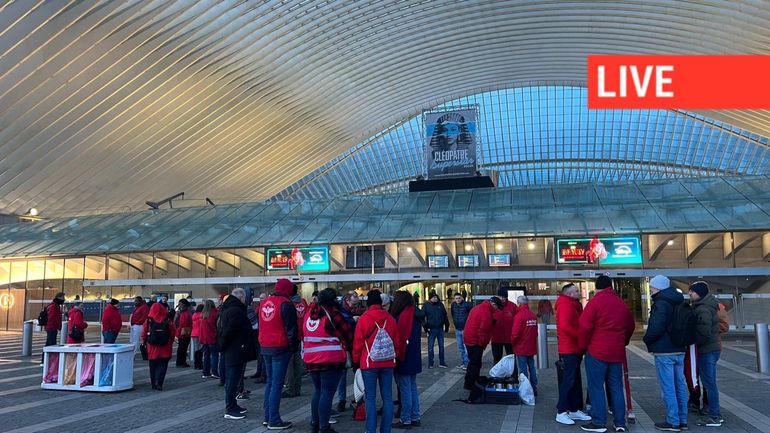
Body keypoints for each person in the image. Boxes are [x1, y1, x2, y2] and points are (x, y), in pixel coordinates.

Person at [578, 275, 635, 433]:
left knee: (596, 387)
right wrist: (623, 341)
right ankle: (620, 423)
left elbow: (584, 327)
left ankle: (599, 422)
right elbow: (630, 325)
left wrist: (583, 347)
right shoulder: (621, 303)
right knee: (616, 387)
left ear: (597, 287)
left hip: (597, 351)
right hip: (616, 352)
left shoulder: (594, 303)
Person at [304, 288, 353, 433]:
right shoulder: (332, 313)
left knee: (317, 391)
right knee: (327, 393)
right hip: (330, 359)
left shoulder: (309, 314)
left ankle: (315, 424)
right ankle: (324, 427)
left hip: (311, 358)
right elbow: (347, 334)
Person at [642, 275, 688, 431]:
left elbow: (657, 326)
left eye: (652, 287)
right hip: (679, 349)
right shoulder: (678, 300)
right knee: (680, 386)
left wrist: (647, 339)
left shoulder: (661, 303)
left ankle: (673, 421)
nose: (651, 290)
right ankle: (683, 419)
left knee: (668, 387)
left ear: (658, 288)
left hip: (664, 350)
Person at [352, 290, 401, 433]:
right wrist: (394, 356)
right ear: (380, 303)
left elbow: (358, 343)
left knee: (370, 398)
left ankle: (370, 430)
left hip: (369, 363)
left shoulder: (364, 318)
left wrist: (356, 361)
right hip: (388, 363)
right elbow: (396, 342)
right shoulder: (390, 318)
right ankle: (386, 430)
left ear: (368, 303)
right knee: (387, 398)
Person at [259, 279, 299, 430]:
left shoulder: (264, 303)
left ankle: (267, 416)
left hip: (265, 346)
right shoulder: (286, 304)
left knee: (270, 383)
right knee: (277, 384)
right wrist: (293, 348)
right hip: (280, 347)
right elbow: (291, 329)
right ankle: (274, 420)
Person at [555, 283, 592, 426]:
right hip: (569, 348)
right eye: (576, 291)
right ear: (569, 294)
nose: (579, 292)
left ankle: (574, 409)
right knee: (569, 380)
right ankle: (561, 411)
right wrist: (581, 337)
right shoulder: (566, 305)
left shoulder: (572, 304)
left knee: (575, 380)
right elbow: (566, 327)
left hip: (574, 347)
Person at [218, 288, 258, 420]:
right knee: (232, 379)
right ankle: (230, 408)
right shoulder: (235, 310)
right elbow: (230, 331)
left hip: (234, 348)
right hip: (235, 348)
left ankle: (233, 405)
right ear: (241, 297)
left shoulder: (228, 308)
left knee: (233, 379)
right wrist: (223, 344)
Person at [689, 281, 723, 428]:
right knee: (710, 383)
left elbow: (704, 332)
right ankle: (715, 413)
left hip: (707, 350)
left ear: (699, 293)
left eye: (692, 291)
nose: (690, 293)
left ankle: (714, 415)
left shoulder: (703, 309)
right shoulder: (707, 305)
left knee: (709, 384)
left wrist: (693, 341)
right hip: (712, 348)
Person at [391, 290, 425, 429]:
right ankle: (415, 416)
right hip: (414, 357)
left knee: (405, 389)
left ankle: (406, 419)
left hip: (405, 357)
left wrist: (397, 357)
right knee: (412, 387)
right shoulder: (414, 314)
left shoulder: (404, 316)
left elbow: (400, 339)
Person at [463, 297, 502, 402]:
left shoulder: (478, 307)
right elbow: (483, 331)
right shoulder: (486, 313)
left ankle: (468, 383)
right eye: (497, 307)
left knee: (472, 362)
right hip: (475, 341)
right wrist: (482, 344)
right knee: (475, 364)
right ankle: (473, 385)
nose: (496, 310)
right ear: (493, 304)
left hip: (468, 338)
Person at [336, 290, 365, 412]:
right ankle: (341, 400)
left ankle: (359, 399)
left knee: (358, 373)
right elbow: (340, 324)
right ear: (347, 301)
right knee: (342, 374)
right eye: (353, 304)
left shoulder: (360, 309)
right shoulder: (340, 311)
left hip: (356, 345)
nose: (355, 307)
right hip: (344, 345)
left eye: (357, 304)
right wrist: (353, 320)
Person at [143, 301, 176, 391]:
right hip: (165, 347)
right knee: (163, 365)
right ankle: (159, 382)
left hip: (152, 347)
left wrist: (144, 342)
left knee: (152, 366)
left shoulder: (149, 320)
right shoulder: (167, 320)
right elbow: (173, 332)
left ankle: (153, 383)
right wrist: (171, 341)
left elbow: (144, 333)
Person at [284, 284, 309, 398]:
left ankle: (290, 388)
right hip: (300, 336)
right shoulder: (303, 302)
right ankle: (297, 388)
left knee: (289, 365)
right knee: (298, 363)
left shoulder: (288, 304)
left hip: (290, 337)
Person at [511, 295, 538, 395]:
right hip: (531, 346)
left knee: (523, 370)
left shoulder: (519, 316)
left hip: (521, 347)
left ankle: (526, 389)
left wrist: (513, 343)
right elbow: (536, 333)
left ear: (518, 303)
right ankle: (534, 387)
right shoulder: (532, 315)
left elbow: (515, 333)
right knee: (532, 368)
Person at [491, 286, 518, 365]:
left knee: (512, 360)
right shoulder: (493, 306)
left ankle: (513, 373)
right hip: (496, 338)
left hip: (509, 338)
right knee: (497, 359)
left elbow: (517, 321)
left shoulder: (513, 306)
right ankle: (496, 373)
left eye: (504, 297)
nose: (502, 299)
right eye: (500, 296)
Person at [422, 291, 449, 368]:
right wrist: (425, 327)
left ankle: (442, 362)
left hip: (440, 328)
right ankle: (431, 363)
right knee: (430, 347)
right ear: (430, 298)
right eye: (434, 297)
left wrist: (447, 326)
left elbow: (445, 315)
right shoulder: (426, 305)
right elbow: (422, 317)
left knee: (441, 346)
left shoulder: (440, 304)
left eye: (436, 297)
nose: (436, 298)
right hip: (431, 329)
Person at [451, 292, 473, 369]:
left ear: (462, 298)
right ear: (454, 299)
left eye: (459, 298)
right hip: (458, 329)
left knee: (466, 346)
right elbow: (453, 315)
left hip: (465, 329)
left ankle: (466, 362)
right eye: (456, 298)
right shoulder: (453, 305)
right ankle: (464, 362)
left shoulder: (467, 305)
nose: (458, 300)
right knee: (460, 347)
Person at [42, 292, 65, 363]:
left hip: (51, 327)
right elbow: (52, 318)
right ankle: (46, 360)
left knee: (50, 343)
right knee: (50, 344)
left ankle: (47, 360)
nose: (64, 299)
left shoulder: (55, 305)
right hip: (51, 328)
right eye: (63, 297)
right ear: (59, 297)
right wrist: (55, 326)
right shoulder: (54, 306)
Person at [200, 300, 219, 379]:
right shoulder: (215, 313)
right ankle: (214, 372)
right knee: (214, 355)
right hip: (213, 337)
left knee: (206, 356)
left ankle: (206, 372)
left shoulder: (203, 314)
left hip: (204, 338)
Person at [175, 299, 193, 367]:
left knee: (182, 348)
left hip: (182, 331)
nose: (179, 305)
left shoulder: (182, 312)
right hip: (184, 332)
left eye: (180, 304)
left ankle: (180, 362)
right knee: (183, 348)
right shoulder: (186, 312)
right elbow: (184, 323)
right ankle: (181, 362)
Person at [192, 303, 204, 369]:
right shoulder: (201, 315)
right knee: (200, 349)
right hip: (200, 333)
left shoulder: (194, 315)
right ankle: (200, 364)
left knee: (196, 349)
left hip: (194, 333)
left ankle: (196, 364)